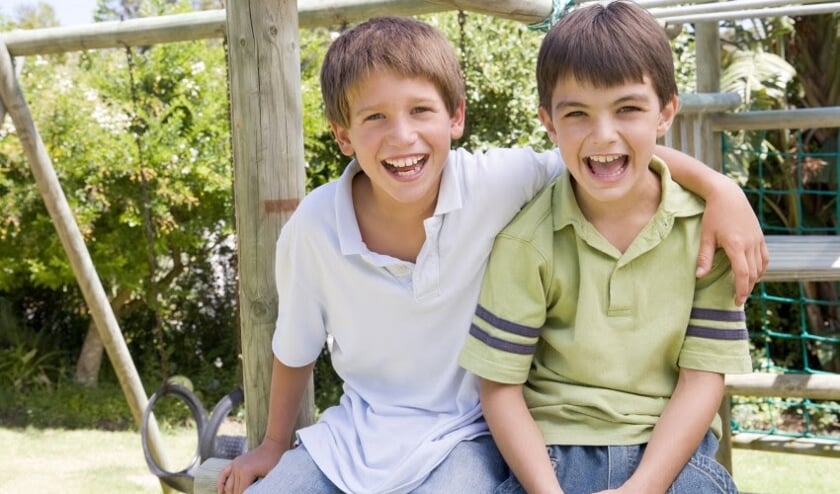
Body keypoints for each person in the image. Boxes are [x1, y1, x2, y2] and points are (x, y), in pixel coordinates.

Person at [218, 14, 766, 494]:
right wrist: (271, 444)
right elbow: (295, 346)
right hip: (359, 430)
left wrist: (723, 191)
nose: (402, 136)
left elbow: (610, 151)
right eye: (375, 118)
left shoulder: (496, 183)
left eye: (419, 111)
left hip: (468, 433)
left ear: (455, 118)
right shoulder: (314, 226)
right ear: (343, 135)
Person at [459, 3, 752, 494]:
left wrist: (644, 487)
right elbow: (499, 388)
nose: (603, 135)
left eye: (628, 109)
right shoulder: (526, 243)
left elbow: (703, 379)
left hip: (673, 459)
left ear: (666, 113)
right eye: (577, 114)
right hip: (550, 458)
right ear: (548, 123)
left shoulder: (709, 234)